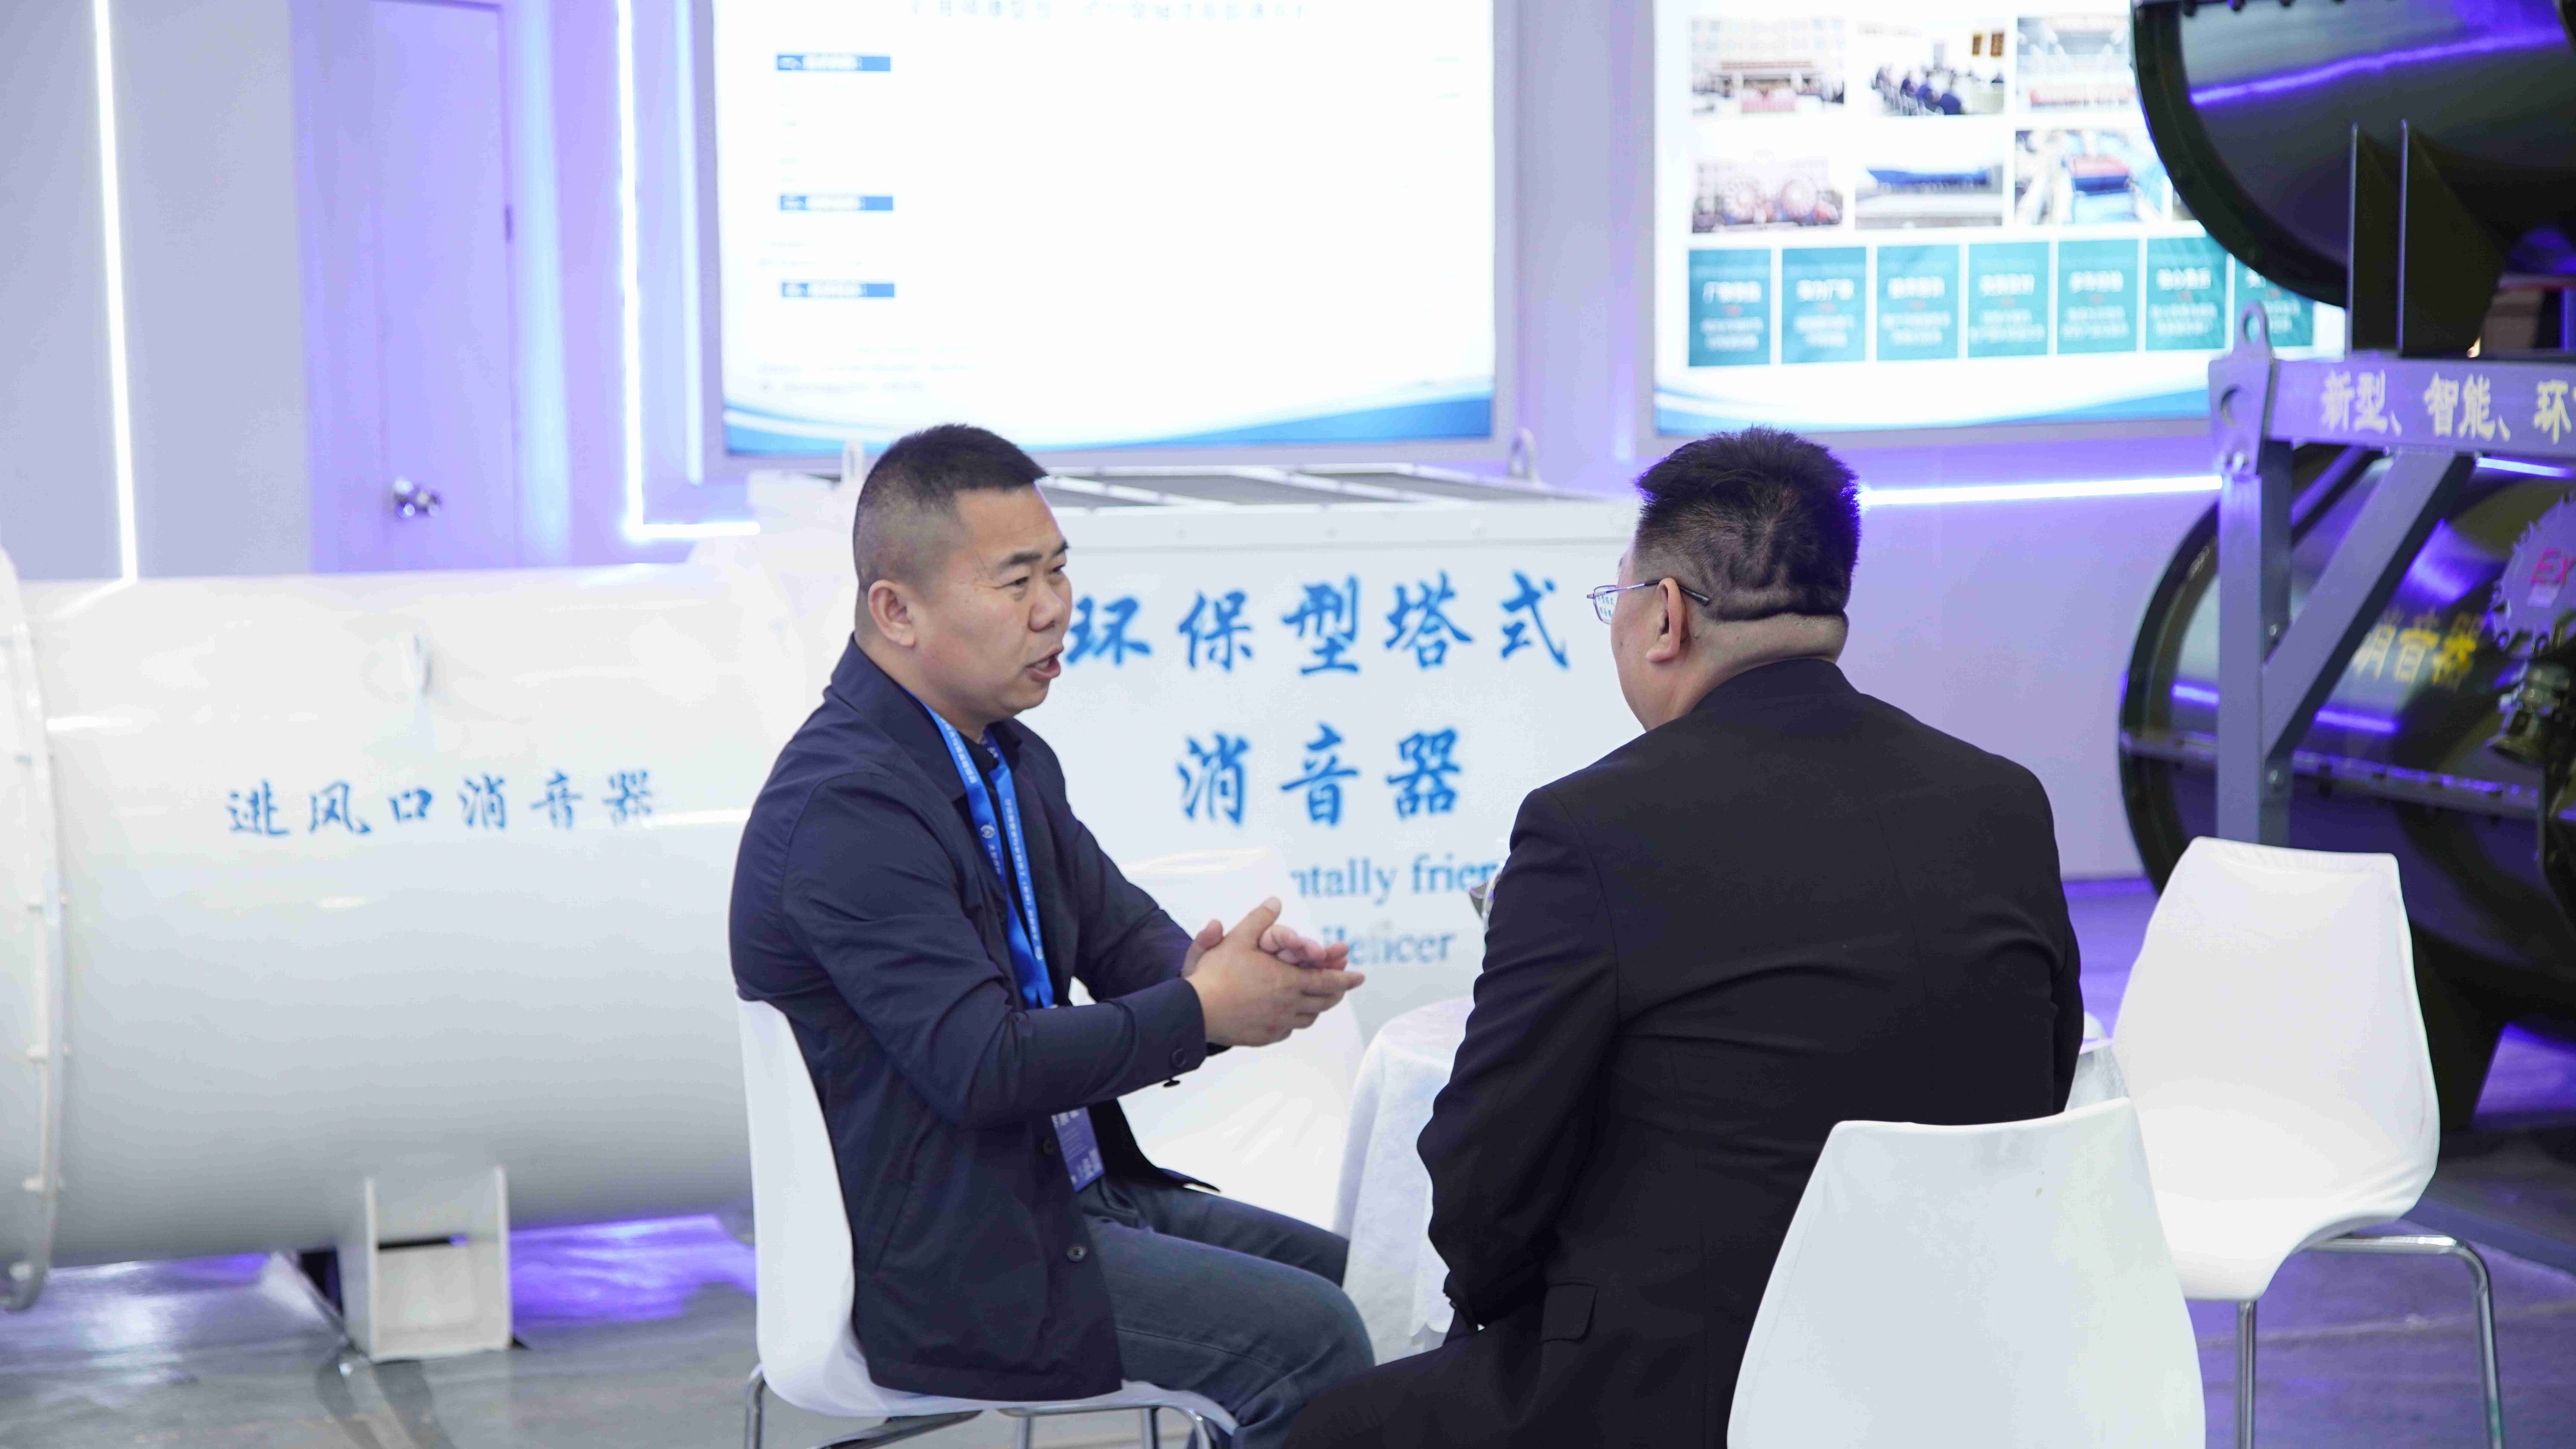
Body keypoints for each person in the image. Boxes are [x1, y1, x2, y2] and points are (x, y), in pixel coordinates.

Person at [1286, 427, 2084, 1449]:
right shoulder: (2003, 800)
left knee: (1333, 1425)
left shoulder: (1591, 828)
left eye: (1615, 596)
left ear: (1664, 613)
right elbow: (2042, 1083)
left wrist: (1507, 1306)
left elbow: (1487, 1179)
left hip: (1687, 1389)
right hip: (1965, 1368)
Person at [730, 424, 1374, 1446]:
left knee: (1376, 1283)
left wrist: (1215, 972)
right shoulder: (847, 808)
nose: (1053, 607)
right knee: (1313, 1339)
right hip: (957, 1261)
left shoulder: (1005, 757)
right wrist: (1202, 1009)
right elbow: (983, 1064)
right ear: (896, 610)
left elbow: (1121, 935)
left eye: (1060, 569)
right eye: (1016, 580)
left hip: (1067, 1198)